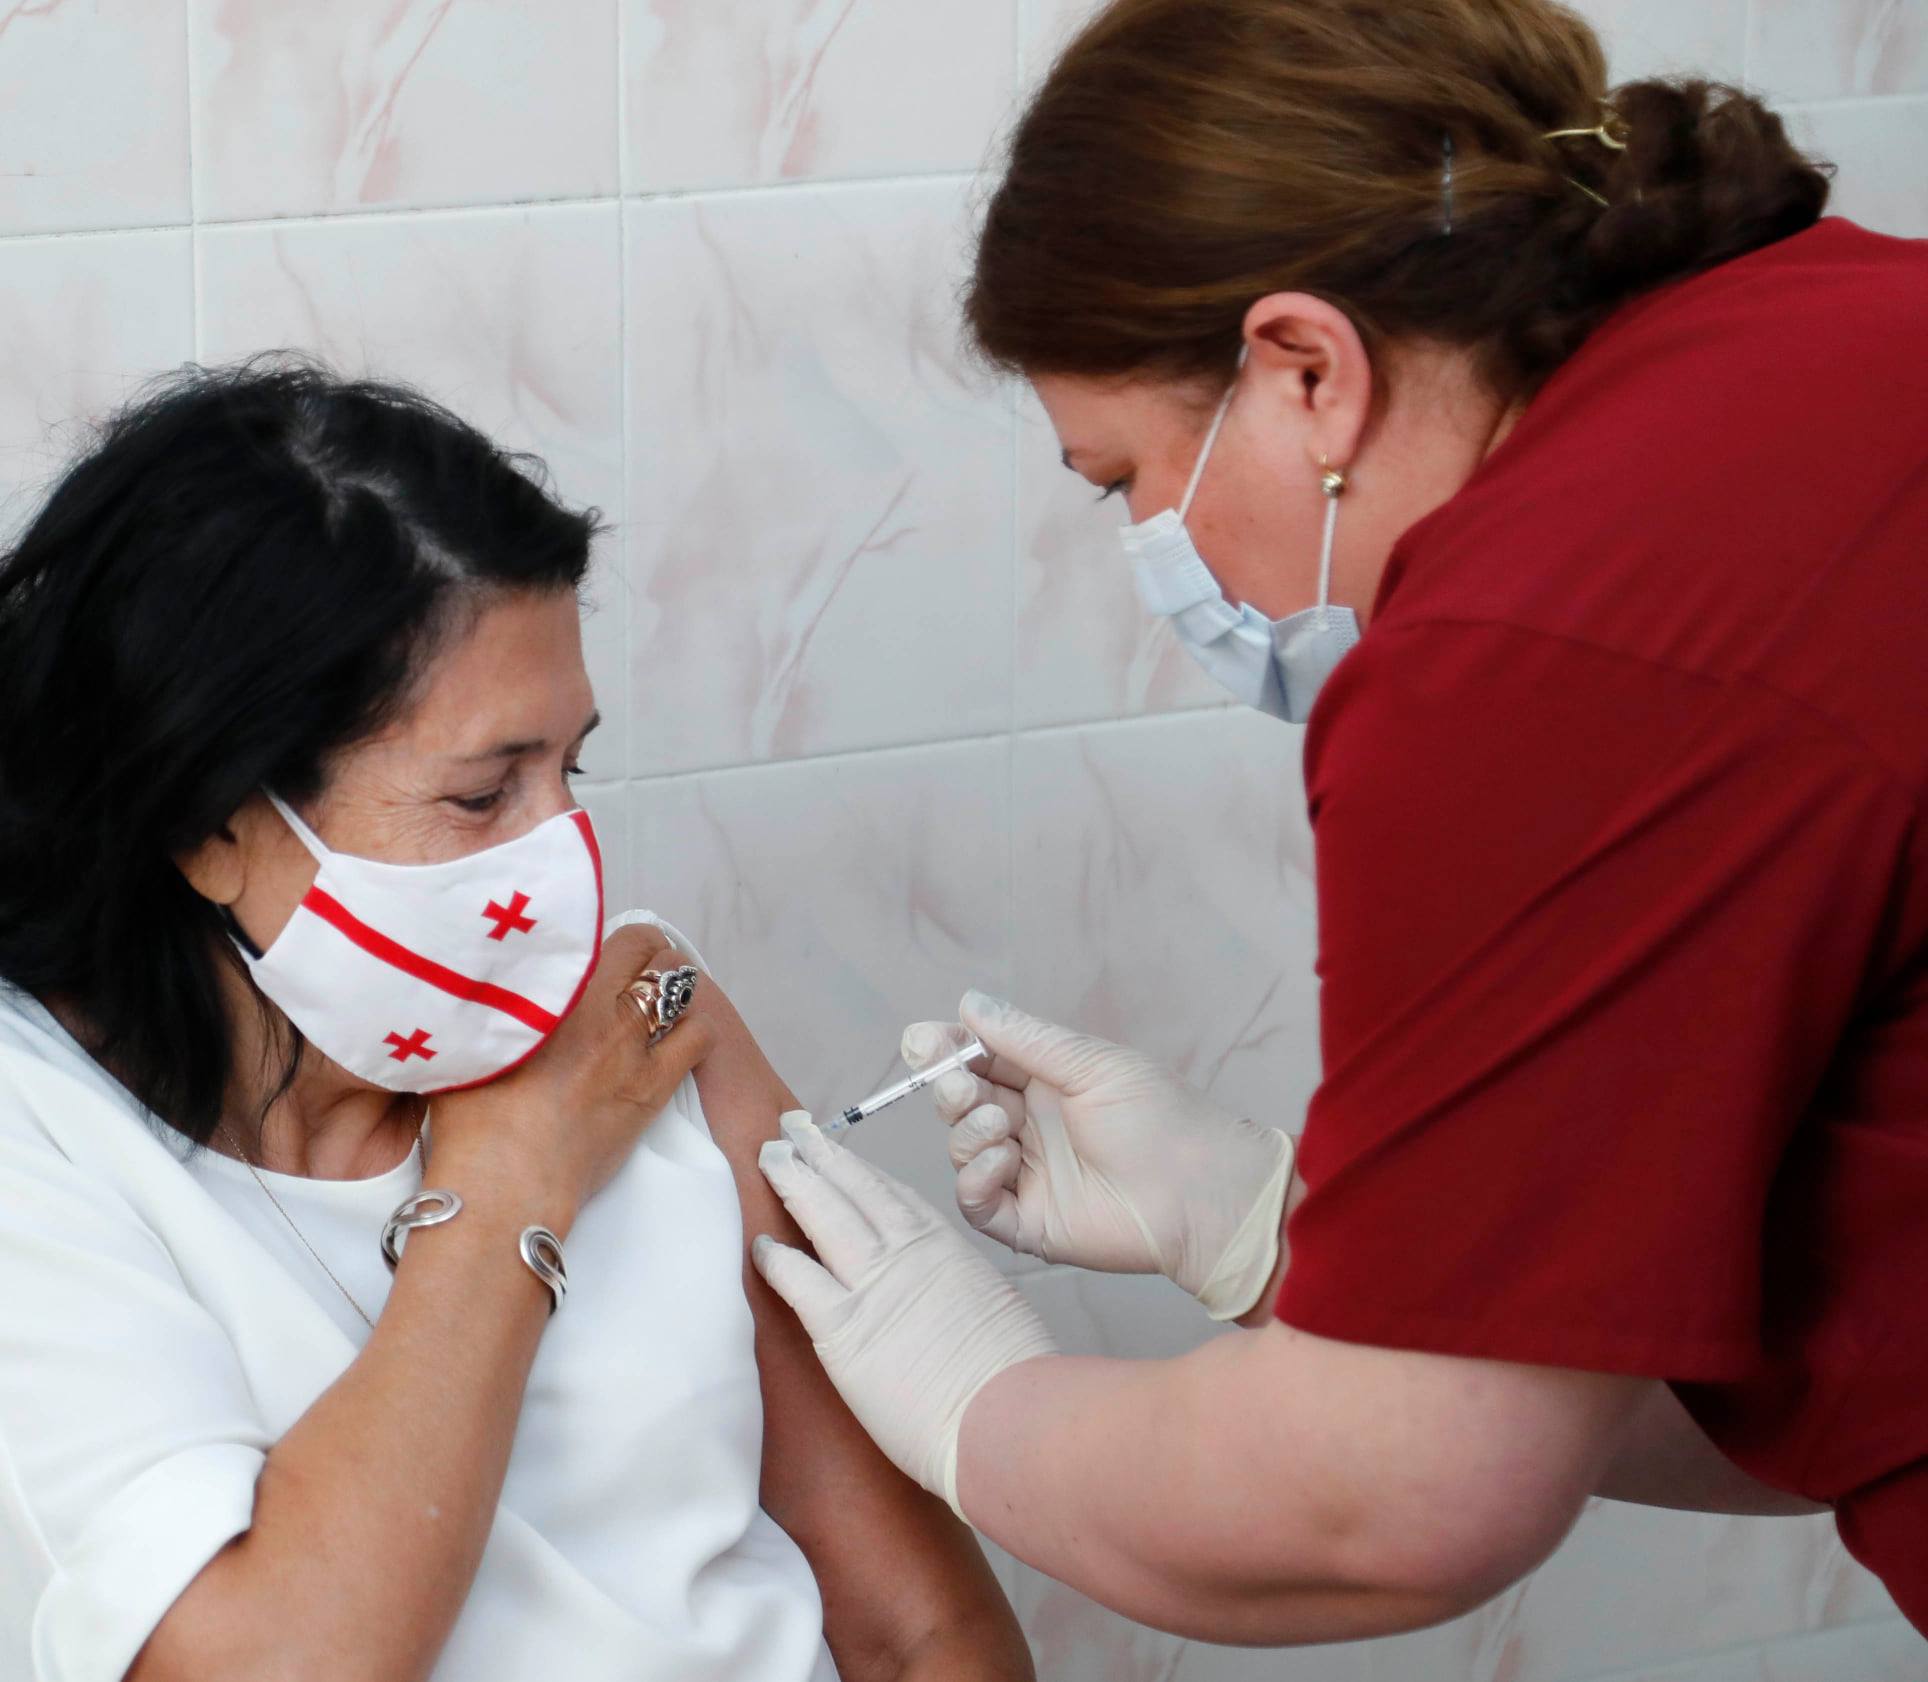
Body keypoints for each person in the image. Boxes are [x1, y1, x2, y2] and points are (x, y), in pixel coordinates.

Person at [748, 0, 1928, 1646]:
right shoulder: (1839, 321)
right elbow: (1859, 1372)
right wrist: (1278, 1238)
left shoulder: (1529, 652)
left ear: (1307, 369)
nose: (1157, 551)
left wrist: (971, 1395)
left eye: (1125, 480)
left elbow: (1390, 1500)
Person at [0, 360, 1033, 1682]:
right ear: (210, 822)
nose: (567, 860)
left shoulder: (642, 1015)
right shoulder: (43, 1144)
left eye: (571, 765)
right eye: (484, 797)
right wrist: (505, 1186)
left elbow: (925, 1629)